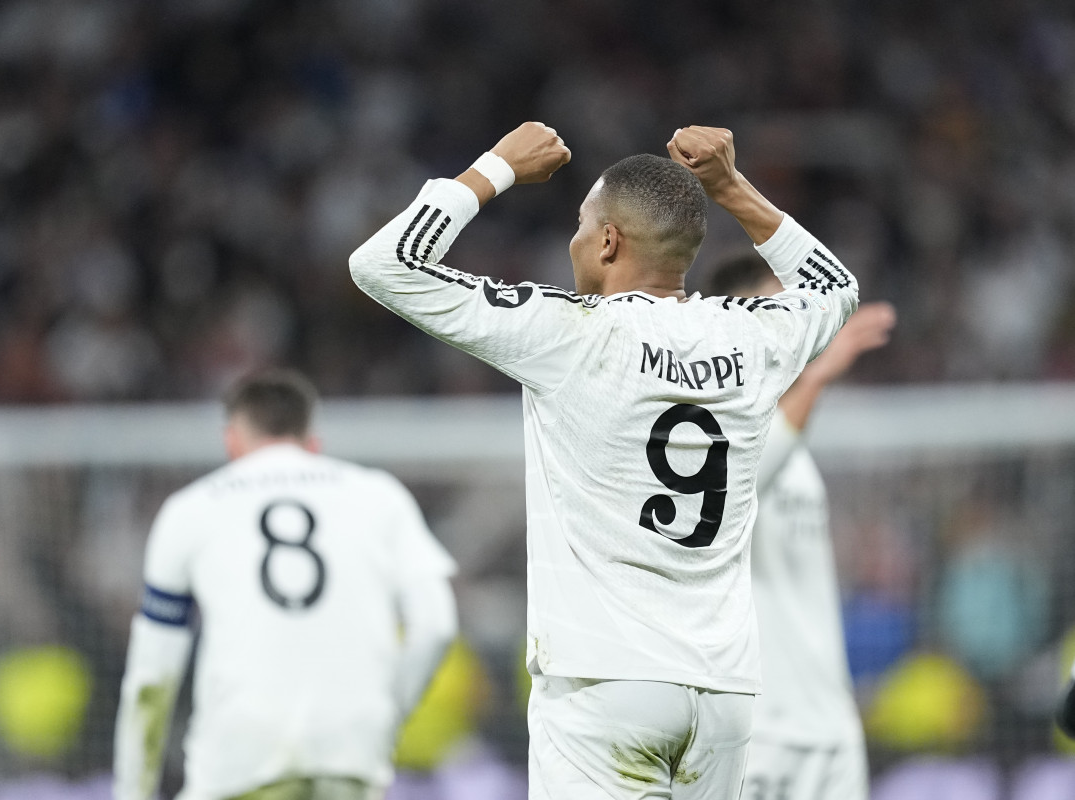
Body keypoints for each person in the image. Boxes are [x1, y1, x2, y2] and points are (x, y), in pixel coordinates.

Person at [349, 122, 859, 799]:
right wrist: (729, 187)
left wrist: (494, 168)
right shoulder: (751, 335)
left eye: (580, 226)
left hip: (605, 682)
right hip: (725, 692)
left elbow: (382, 264)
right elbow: (833, 285)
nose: (573, 241)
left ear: (609, 241)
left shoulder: (565, 333)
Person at [112, 369, 458, 800]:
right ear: (313, 442)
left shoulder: (191, 510)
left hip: (240, 759)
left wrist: (133, 792)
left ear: (231, 440)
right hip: (350, 753)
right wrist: (386, 718)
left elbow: (152, 678)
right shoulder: (380, 495)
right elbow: (436, 625)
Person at [705, 253, 895, 800]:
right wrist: (820, 373)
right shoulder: (713, 431)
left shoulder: (800, 449)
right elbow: (749, 468)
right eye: (779, 305)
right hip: (758, 730)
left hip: (831, 724)